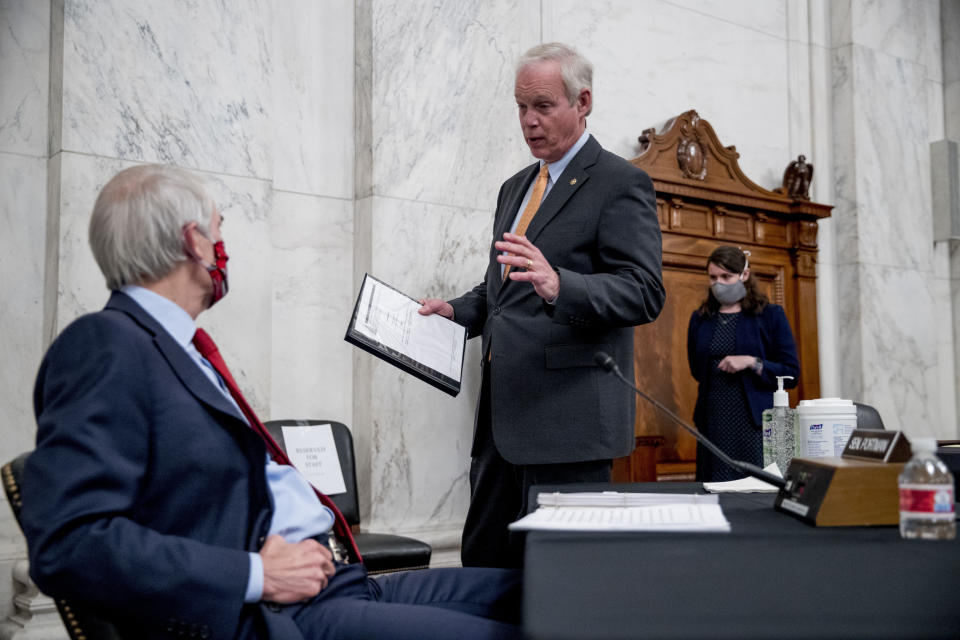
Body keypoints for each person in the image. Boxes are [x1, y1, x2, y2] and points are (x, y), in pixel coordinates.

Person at [20, 164, 522, 640]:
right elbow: (71, 545)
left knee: (557, 593)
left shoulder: (177, 348)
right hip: (285, 615)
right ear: (192, 241)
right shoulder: (103, 344)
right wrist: (256, 574)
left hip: (342, 580)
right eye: (219, 229)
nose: (224, 246)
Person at [419, 43, 664, 568]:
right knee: (483, 568)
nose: (528, 121)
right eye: (520, 107)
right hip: (500, 427)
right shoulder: (515, 187)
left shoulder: (621, 182)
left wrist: (562, 286)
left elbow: (644, 291)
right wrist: (457, 312)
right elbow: (503, 291)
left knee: (560, 583)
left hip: (568, 431)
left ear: (583, 102)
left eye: (543, 106)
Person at [686, 245, 800, 482]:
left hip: (755, 424)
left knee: (754, 490)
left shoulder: (770, 315)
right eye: (713, 277)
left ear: (744, 275)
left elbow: (791, 373)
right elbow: (697, 371)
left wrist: (752, 362)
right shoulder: (700, 318)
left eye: (726, 276)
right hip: (712, 422)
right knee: (713, 488)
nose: (718, 283)